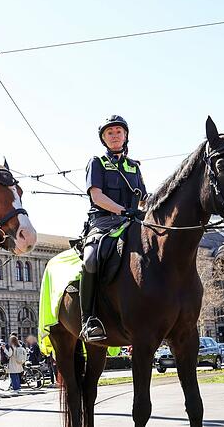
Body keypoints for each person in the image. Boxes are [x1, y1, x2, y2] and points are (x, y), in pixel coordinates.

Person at [81, 115, 146, 342]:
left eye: (119, 131)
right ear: (104, 138)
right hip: (104, 223)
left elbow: (145, 198)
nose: (115, 135)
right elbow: (96, 196)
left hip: (133, 222)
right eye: (110, 133)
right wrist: (121, 210)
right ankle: (88, 319)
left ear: (125, 136)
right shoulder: (96, 162)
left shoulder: (133, 167)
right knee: (90, 259)